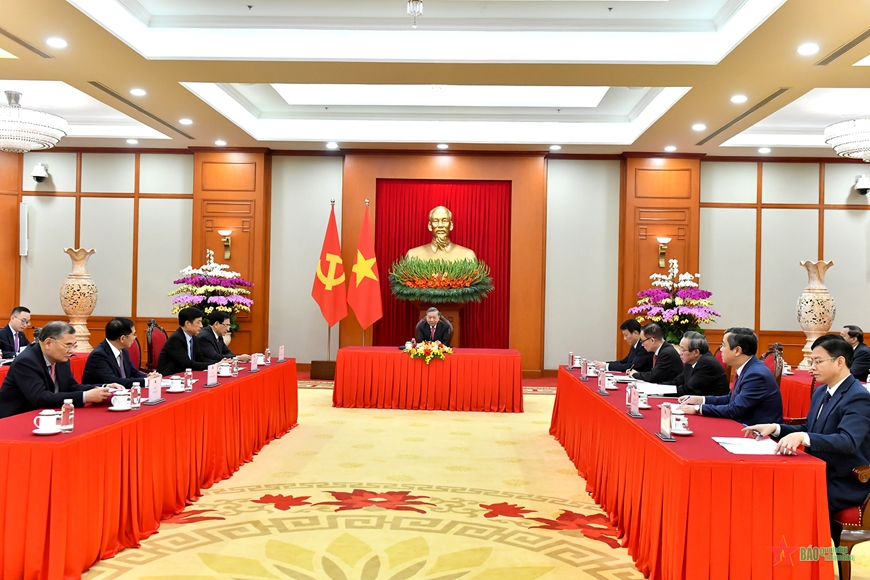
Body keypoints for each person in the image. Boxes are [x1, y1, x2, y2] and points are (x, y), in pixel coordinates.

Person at [744, 335, 870, 547]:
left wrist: (803, 437)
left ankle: (796, 557)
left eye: (818, 361)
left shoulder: (858, 397)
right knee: (765, 485)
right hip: (816, 469)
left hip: (843, 479)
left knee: (784, 499)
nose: (811, 367)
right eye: (811, 361)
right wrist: (775, 428)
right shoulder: (821, 392)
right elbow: (810, 429)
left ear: (840, 361)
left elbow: (847, 441)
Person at [0, 321, 113, 418]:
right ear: (48, 343)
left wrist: (103, 388)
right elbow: (40, 398)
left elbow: (71, 387)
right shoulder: (26, 362)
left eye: (73, 345)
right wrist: (85, 397)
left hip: (47, 414)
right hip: (17, 418)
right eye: (67, 345)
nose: (71, 351)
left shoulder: (61, 358)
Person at [679, 327, 782, 424]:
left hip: (757, 431)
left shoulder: (756, 375)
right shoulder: (747, 367)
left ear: (737, 351)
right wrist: (700, 400)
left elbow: (735, 410)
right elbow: (730, 399)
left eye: (723, 345)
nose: (721, 349)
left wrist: (698, 409)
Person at [83, 318, 156, 388]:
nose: (134, 337)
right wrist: (145, 381)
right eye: (133, 334)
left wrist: (149, 377)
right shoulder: (99, 356)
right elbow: (113, 381)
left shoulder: (123, 351)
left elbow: (133, 372)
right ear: (122, 338)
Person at [667, 331, 729, 397]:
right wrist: (659, 388)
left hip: (713, 402)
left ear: (696, 352)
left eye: (683, 350)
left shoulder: (707, 364)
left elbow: (689, 390)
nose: (680, 353)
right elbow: (677, 382)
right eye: (680, 348)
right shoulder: (691, 360)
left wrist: (663, 392)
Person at [157, 307, 215, 375]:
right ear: (187, 323)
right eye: (198, 322)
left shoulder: (194, 338)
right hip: (171, 376)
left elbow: (200, 358)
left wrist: (217, 363)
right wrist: (213, 365)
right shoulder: (175, 339)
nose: (201, 326)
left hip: (187, 375)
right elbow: (186, 364)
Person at [406, 206, 477, 262]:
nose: (440, 225)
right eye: (436, 221)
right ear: (430, 226)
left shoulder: (468, 256)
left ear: (451, 225)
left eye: (445, 221)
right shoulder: (413, 255)